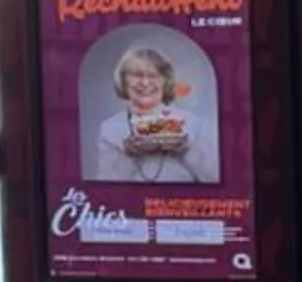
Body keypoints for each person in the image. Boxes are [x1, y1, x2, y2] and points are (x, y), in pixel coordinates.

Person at [90, 43, 215, 185]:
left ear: (165, 80)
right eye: (136, 75)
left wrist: (185, 152)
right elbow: (105, 187)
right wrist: (129, 156)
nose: (145, 83)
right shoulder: (109, 128)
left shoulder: (192, 122)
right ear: (124, 81)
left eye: (153, 75)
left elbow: (211, 179)